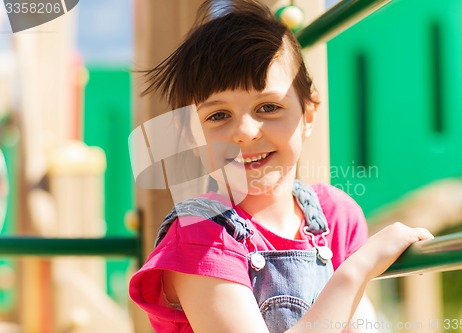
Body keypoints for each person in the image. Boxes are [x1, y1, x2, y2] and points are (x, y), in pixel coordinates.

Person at [128, 1, 434, 332]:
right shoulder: (200, 236)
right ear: (191, 137)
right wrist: (357, 270)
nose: (244, 132)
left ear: (308, 116)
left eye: (268, 107)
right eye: (218, 115)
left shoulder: (336, 216)